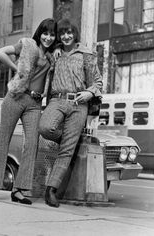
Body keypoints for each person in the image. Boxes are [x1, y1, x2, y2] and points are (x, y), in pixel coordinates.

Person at [0, 18, 57, 205]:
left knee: (32, 144)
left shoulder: (51, 56)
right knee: (3, 139)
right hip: (16, 97)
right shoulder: (27, 44)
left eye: (52, 34)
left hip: (34, 103)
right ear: (39, 33)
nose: (48, 37)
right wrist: (18, 70)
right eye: (45, 33)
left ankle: (18, 189)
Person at [39, 18, 103, 208]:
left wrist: (89, 92)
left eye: (70, 33)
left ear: (75, 34)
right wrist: (56, 47)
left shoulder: (86, 55)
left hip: (78, 103)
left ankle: (51, 190)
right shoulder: (55, 54)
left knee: (66, 151)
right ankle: (70, 141)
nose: (66, 36)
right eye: (62, 34)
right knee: (44, 127)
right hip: (57, 100)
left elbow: (97, 82)